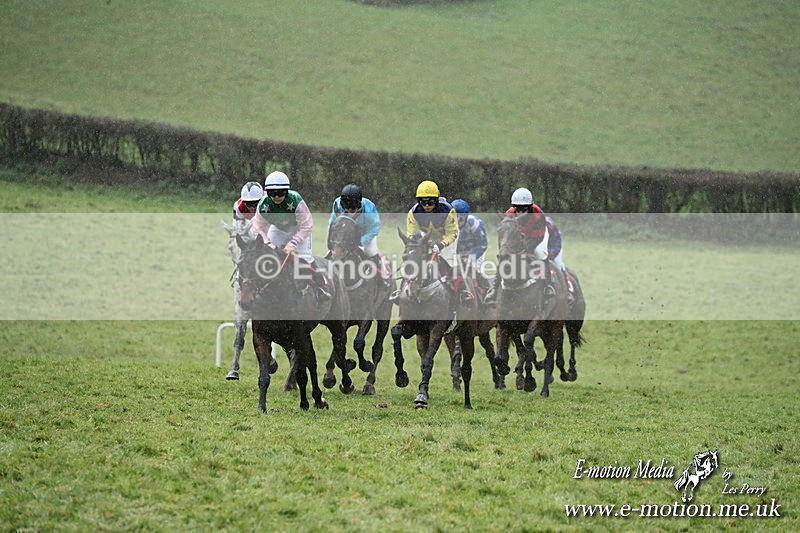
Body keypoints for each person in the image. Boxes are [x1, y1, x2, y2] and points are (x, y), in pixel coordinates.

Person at [252, 170, 331, 302]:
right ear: (267, 193)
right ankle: (262, 287)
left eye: (281, 193)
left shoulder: (295, 200)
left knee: (305, 258)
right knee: (268, 255)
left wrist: (293, 243)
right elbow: (258, 228)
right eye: (272, 193)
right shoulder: (263, 204)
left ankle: (320, 287)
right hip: (277, 229)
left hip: (299, 229)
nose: (276, 196)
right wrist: (270, 245)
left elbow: (307, 226)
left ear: (287, 192)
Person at [392, 180, 473, 304]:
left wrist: (440, 245)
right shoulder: (413, 213)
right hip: (424, 239)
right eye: (423, 202)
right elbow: (412, 235)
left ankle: (463, 292)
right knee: (413, 259)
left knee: (451, 263)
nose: (427, 206)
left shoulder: (448, 210)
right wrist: (423, 243)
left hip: (445, 239)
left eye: (430, 202)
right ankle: (401, 290)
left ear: (436, 200)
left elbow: (452, 233)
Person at [484, 187, 551, 305]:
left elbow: (537, 237)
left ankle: (548, 286)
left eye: (524, 208)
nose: (520, 211)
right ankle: (494, 289)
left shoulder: (538, 215)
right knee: (505, 257)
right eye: (517, 208)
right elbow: (506, 232)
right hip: (518, 237)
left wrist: (527, 250)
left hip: (537, 237)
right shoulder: (509, 214)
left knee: (540, 253)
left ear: (530, 206)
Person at [327, 183, 393, 290]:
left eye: (353, 208)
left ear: (359, 204)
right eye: (346, 208)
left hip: (365, 233)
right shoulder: (337, 204)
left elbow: (374, 228)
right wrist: (333, 244)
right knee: (330, 254)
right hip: (345, 235)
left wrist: (360, 242)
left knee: (371, 252)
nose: (349, 211)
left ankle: (382, 278)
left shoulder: (369, 208)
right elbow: (333, 225)